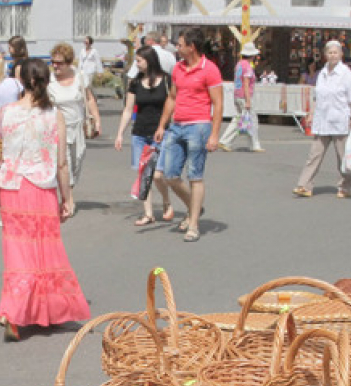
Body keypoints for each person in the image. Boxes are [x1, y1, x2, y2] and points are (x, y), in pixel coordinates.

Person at [0, 58, 91, 341]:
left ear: (22, 82)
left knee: (17, 253)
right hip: (41, 188)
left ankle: (13, 311)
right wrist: (67, 198)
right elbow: (61, 164)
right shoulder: (54, 115)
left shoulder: (6, 112)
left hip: (11, 188)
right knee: (46, 253)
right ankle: (47, 311)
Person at [153, 28, 224, 243]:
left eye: (180, 44)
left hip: (199, 126)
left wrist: (214, 135)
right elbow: (172, 98)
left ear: (192, 47)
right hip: (177, 126)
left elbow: (218, 103)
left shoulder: (209, 69)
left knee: (195, 175)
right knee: (170, 176)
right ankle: (195, 206)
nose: (177, 47)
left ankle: (193, 224)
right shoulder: (178, 68)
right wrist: (161, 125)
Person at [113, 45, 173, 225]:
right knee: (143, 174)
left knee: (157, 175)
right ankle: (148, 213)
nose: (136, 64)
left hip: (162, 132)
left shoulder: (166, 81)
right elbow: (128, 110)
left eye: (139, 61)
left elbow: (173, 106)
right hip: (140, 133)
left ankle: (166, 200)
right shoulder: (136, 83)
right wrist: (119, 134)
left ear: (149, 60)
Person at [292, 39, 351, 199]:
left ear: (341, 54)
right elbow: (317, 97)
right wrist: (311, 114)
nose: (333, 55)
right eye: (330, 53)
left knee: (343, 157)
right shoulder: (322, 73)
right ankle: (304, 185)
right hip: (322, 120)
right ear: (325, 55)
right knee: (314, 154)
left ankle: (345, 187)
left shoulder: (346, 74)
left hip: (340, 120)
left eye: (335, 52)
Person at [47, 42, 101, 189]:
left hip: (77, 127)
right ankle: (67, 199)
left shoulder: (80, 77)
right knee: (64, 162)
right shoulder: (48, 80)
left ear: (69, 63)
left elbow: (89, 99)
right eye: (53, 62)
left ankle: (67, 191)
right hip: (57, 128)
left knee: (78, 159)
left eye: (59, 63)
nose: (55, 66)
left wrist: (97, 120)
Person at [218, 41, 265, 153]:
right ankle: (254, 144)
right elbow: (246, 83)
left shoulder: (239, 64)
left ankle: (225, 140)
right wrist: (248, 100)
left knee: (239, 118)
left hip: (237, 94)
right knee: (251, 119)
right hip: (245, 96)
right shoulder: (247, 66)